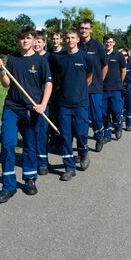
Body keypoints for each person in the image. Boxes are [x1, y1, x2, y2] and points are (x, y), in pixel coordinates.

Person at [0, 26, 53, 203]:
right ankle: (8, 186)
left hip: (31, 110)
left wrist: (43, 104)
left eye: (28, 37)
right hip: (12, 108)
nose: (25, 41)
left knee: (30, 145)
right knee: (7, 143)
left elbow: (48, 84)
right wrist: (2, 70)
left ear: (34, 40)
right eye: (22, 38)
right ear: (18, 41)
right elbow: (6, 84)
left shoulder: (41, 60)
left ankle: (29, 178)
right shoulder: (12, 59)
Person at [50, 28, 93, 181]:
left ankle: (83, 152)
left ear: (77, 40)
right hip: (64, 105)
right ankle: (69, 168)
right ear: (64, 40)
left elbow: (89, 76)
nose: (70, 40)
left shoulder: (85, 57)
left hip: (81, 103)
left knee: (81, 133)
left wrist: (80, 90)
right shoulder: (59, 58)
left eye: (73, 37)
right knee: (65, 137)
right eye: (67, 38)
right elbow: (56, 77)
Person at [78, 19, 108, 152]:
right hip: (79, 89)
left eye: (86, 28)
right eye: (81, 28)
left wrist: (100, 80)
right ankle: (83, 148)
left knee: (96, 116)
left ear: (91, 30)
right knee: (83, 119)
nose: (83, 30)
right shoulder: (75, 45)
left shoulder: (97, 46)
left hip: (95, 88)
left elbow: (105, 65)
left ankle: (99, 136)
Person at [102, 34, 126, 142]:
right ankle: (107, 134)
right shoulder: (101, 54)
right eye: (107, 42)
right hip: (103, 89)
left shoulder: (119, 55)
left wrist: (120, 81)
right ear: (104, 43)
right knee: (104, 113)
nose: (108, 44)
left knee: (116, 111)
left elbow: (123, 70)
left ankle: (118, 126)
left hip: (116, 88)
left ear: (114, 43)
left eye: (110, 42)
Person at [33, 31, 51, 175]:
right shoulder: (27, 57)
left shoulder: (48, 58)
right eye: (35, 41)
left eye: (39, 41)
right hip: (29, 101)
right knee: (30, 132)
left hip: (44, 101)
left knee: (41, 132)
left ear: (44, 43)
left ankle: (43, 162)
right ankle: (32, 159)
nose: (36, 44)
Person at [121, 49, 131, 131]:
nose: (124, 57)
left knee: (129, 106)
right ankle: (119, 125)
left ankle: (128, 125)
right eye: (122, 55)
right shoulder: (118, 64)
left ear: (127, 56)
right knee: (120, 106)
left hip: (129, 86)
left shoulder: (130, 64)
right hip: (120, 86)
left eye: (125, 55)